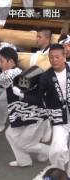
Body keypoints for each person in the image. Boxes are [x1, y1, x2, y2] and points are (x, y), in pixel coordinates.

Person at [15, 44, 70, 174]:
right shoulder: (45, 76)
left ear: (64, 56)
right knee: (57, 149)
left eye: (57, 57)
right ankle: (59, 173)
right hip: (59, 117)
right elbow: (37, 97)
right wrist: (22, 94)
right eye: (51, 57)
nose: (54, 60)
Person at [0, 47, 49, 167]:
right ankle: (24, 160)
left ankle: (49, 152)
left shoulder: (12, 73)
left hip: (33, 116)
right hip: (24, 115)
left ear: (11, 62)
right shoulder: (21, 72)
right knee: (10, 134)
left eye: (1, 61)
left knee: (26, 144)